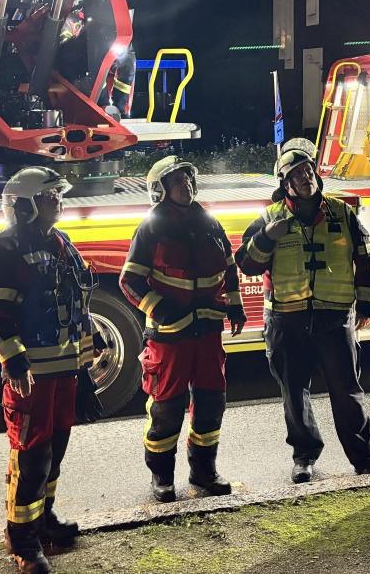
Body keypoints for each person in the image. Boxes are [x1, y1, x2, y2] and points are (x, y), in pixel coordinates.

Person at [0, 167, 102, 573]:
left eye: (58, 196)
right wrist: (12, 357)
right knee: (31, 458)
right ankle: (23, 541)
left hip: (64, 370)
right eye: (50, 197)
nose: (58, 203)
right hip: (30, 375)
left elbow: (77, 306)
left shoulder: (62, 243)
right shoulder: (5, 249)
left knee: (55, 452)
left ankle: (44, 520)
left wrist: (85, 364)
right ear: (25, 205)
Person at [237, 140, 370, 483]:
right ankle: (304, 457)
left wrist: (367, 302)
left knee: (347, 392)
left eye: (307, 171)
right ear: (286, 184)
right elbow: (246, 264)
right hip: (287, 320)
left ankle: (363, 458)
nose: (305, 177)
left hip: (334, 319)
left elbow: (366, 258)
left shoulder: (342, 213)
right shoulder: (269, 219)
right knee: (294, 396)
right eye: (296, 174)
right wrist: (267, 238)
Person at [120, 155, 246, 502]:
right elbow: (129, 281)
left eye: (189, 180)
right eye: (177, 182)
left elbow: (229, 266)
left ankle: (204, 472)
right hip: (170, 337)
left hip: (207, 332)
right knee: (166, 407)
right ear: (161, 190)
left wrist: (235, 305)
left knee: (211, 403)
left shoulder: (209, 222)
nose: (186, 186)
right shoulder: (151, 228)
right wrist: (159, 310)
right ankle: (161, 477)